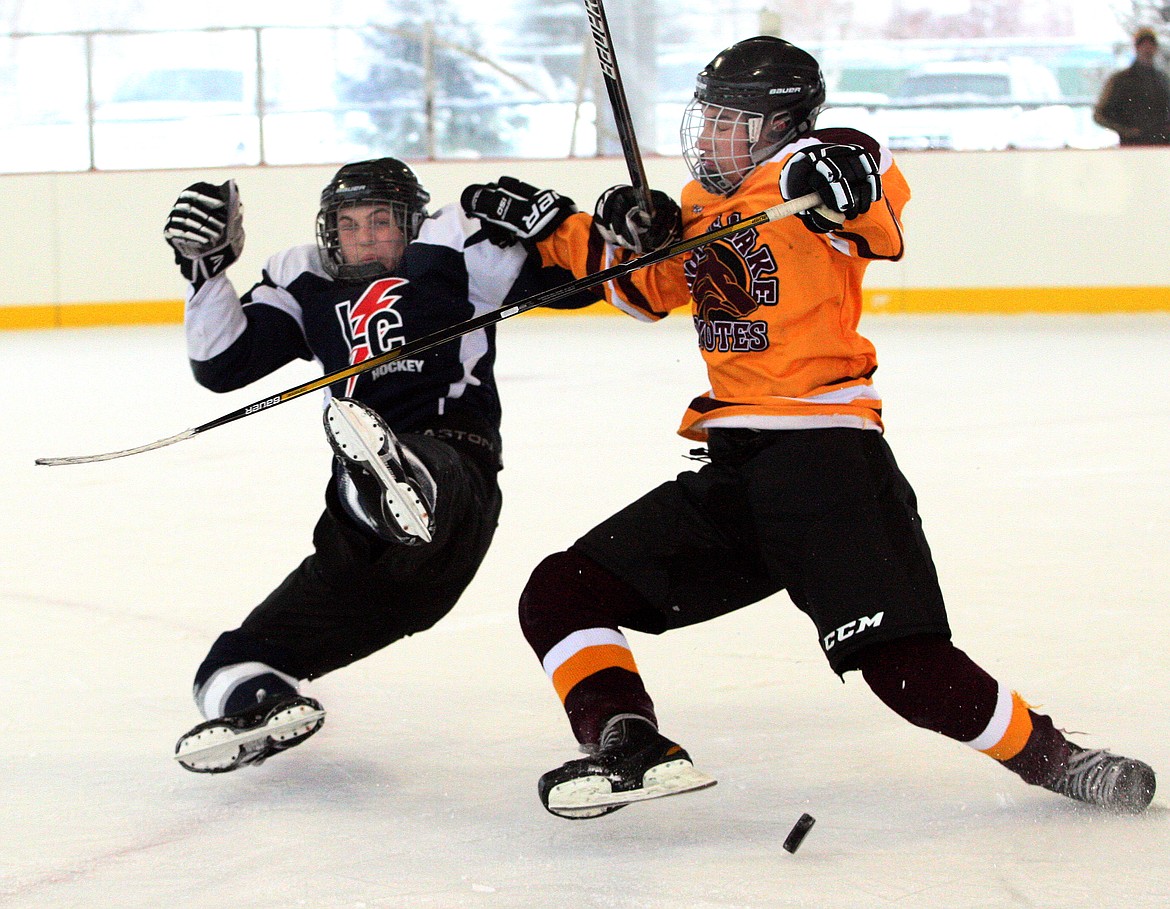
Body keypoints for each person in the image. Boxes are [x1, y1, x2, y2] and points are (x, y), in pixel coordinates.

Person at [463, 36, 1158, 818]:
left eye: (733, 122)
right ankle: (629, 740)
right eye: (710, 118)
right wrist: (569, 222)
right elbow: (645, 288)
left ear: (779, 126)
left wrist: (839, 164)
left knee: (906, 670)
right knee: (560, 591)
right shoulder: (702, 203)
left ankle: (1058, 758)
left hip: (828, 463)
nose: (711, 136)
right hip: (735, 469)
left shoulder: (810, 179)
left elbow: (871, 189)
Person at [163, 159, 585, 772]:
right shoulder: (306, 276)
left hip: (455, 473)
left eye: (381, 221)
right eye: (350, 223)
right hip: (399, 567)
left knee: (411, 462)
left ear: (410, 224)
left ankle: (389, 477)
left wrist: (576, 222)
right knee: (230, 662)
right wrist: (205, 273)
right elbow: (223, 366)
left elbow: (590, 279)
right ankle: (268, 703)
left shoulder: (457, 252)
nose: (363, 236)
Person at [1093, 27, 1170, 145]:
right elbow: (1100, 115)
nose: (1147, 49)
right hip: (1132, 148)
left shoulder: (1163, 80)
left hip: (1160, 147)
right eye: (1143, 45)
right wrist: (1126, 131)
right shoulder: (1120, 80)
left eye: (1151, 45)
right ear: (1136, 48)